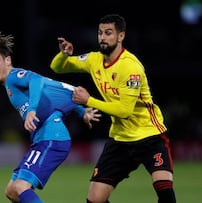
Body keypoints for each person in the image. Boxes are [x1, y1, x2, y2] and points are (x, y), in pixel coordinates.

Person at [50, 14, 177, 203]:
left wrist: (88, 100)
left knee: (164, 190)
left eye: (108, 33)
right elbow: (57, 68)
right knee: (94, 200)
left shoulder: (130, 67)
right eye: (100, 33)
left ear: (121, 36)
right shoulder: (94, 60)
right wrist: (63, 55)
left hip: (150, 135)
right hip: (120, 140)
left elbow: (124, 111)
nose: (102, 37)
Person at [0, 31, 101, 203]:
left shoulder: (13, 76)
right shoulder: (9, 85)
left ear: (8, 60)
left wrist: (32, 110)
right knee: (11, 191)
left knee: (20, 187)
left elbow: (37, 80)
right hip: (43, 139)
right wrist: (82, 112)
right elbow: (54, 92)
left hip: (52, 139)